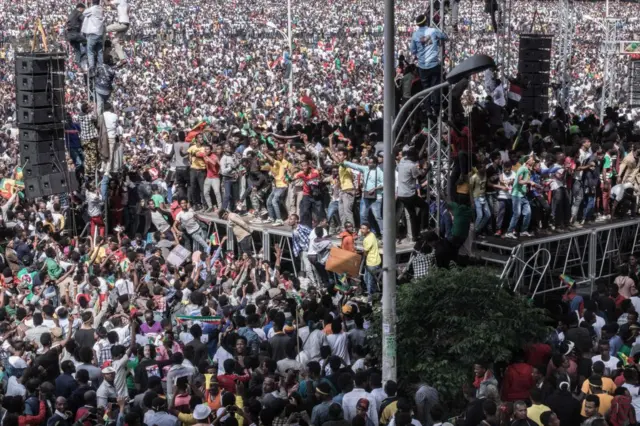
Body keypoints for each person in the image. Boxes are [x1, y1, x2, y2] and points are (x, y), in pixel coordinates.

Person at [411, 14, 448, 114]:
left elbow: (413, 51)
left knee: (426, 88)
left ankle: (428, 109)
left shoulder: (415, 35)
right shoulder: (433, 31)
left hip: (422, 66)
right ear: (426, 21)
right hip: (433, 64)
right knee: (435, 87)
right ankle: (436, 108)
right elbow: (444, 36)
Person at [81, 0, 105, 74]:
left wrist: (88, 5)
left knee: (90, 51)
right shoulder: (101, 9)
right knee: (99, 51)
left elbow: (84, 13)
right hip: (100, 33)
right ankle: (101, 66)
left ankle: (92, 67)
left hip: (92, 33)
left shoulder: (92, 9)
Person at [361, 222, 381, 303]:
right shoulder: (372, 234)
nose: (361, 230)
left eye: (363, 228)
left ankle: (370, 299)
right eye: (361, 228)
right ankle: (375, 293)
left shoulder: (367, 239)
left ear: (368, 230)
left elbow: (365, 252)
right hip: (374, 261)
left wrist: (363, 251)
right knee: (366, 278)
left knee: (369, 281)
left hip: (372, 263)